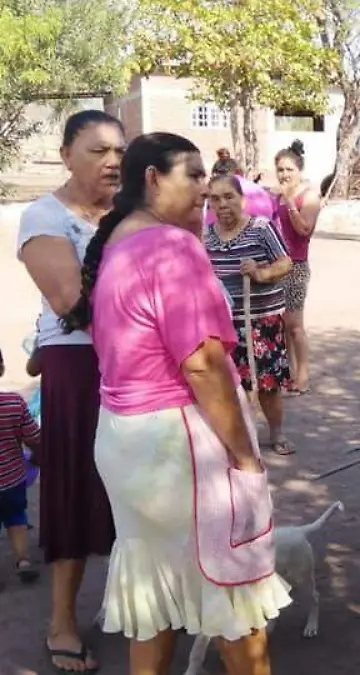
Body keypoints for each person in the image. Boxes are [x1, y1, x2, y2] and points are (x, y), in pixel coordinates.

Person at [58, 132, 291, 675]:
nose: (205, 190)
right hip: (177, 442)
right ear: (153, 179)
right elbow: (203, 364)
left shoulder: (118, 246)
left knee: (154, 596)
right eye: (194, 175)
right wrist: (246, 457)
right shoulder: (171, 247)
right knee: (233, 597)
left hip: (126, 440)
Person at [17, 109, 124, 673]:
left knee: (146, 483)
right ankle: (61, 620)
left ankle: (147, 603)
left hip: (137, 359)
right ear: (66, 156)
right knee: (77, 485)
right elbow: (69, 303)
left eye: (119, 151)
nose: (112, 161)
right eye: (97, 150)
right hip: (78, 362)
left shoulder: (132, 210)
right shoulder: (44, 216)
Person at [205, 174, 296, 456]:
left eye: (228, 197)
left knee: (267, 384)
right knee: (230, 384)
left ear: (242, 200)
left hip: (261, 320)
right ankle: (239, 436)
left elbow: (286, 263)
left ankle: (277, 431)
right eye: (215, 199)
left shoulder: (261, 228)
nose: (222, 204)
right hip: (223, 323)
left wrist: (261, 273)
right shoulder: (205, 236)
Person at [273, 140, 321, 395]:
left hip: (296, 267)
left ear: (299, 170)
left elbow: (304, 229)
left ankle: (302, 377)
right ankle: (287, 374)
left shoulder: (309, 196)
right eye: (280, 169)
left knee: (295, 326)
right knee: (281, 325)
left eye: (289, 169)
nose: (284, 174)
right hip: (275, 267)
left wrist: (291, 201)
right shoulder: (275, 196)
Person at [0, 347, 42, 585]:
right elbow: (34, 437)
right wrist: (37, 456)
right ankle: (23, 560)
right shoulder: (14, 403)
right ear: (1, 368)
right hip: (12, 479)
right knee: (16, 516)